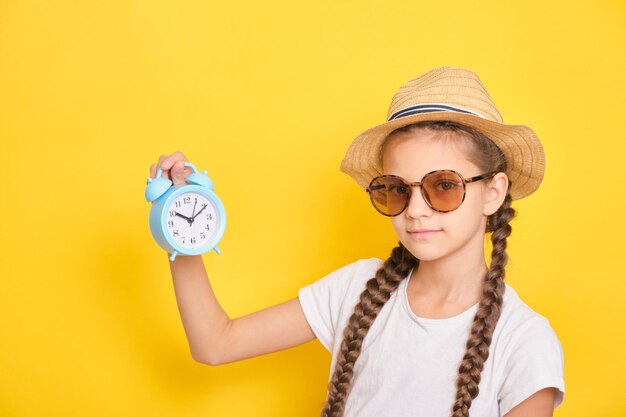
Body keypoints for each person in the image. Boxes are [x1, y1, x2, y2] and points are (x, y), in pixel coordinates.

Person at [148, 66, 565, 417]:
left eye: (443, 186)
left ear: (492, 192)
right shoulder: (356, 290)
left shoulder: (525, 342)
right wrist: (181, 222)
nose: (416, 209)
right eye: (397, 189)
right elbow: (215, 343)